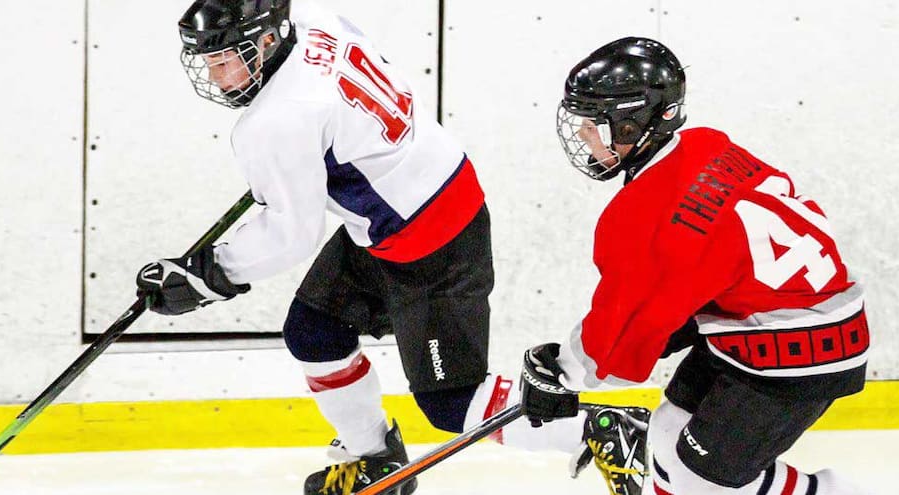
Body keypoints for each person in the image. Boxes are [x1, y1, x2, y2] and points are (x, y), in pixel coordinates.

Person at [134, 2, 647, 495]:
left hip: (431, 247)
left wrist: (206, 277)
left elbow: (291, 233)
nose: (218, 76)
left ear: (268, 40)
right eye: (209, 62)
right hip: (408, 208)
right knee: (315, 332)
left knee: (450, 403)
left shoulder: (276, 121)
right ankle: (373, 456)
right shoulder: (313, 23)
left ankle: (597, 428)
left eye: (226, 60)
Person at [520, 37, 872, 495]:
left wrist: (561, 372)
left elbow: (620, 336)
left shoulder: (644, 216)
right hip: (763, 325)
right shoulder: (706, 146)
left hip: (795, 353)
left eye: (595, 124)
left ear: (632, 123)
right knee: (667, 438)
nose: (586, 136)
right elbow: (724, 245)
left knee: (699, 480)